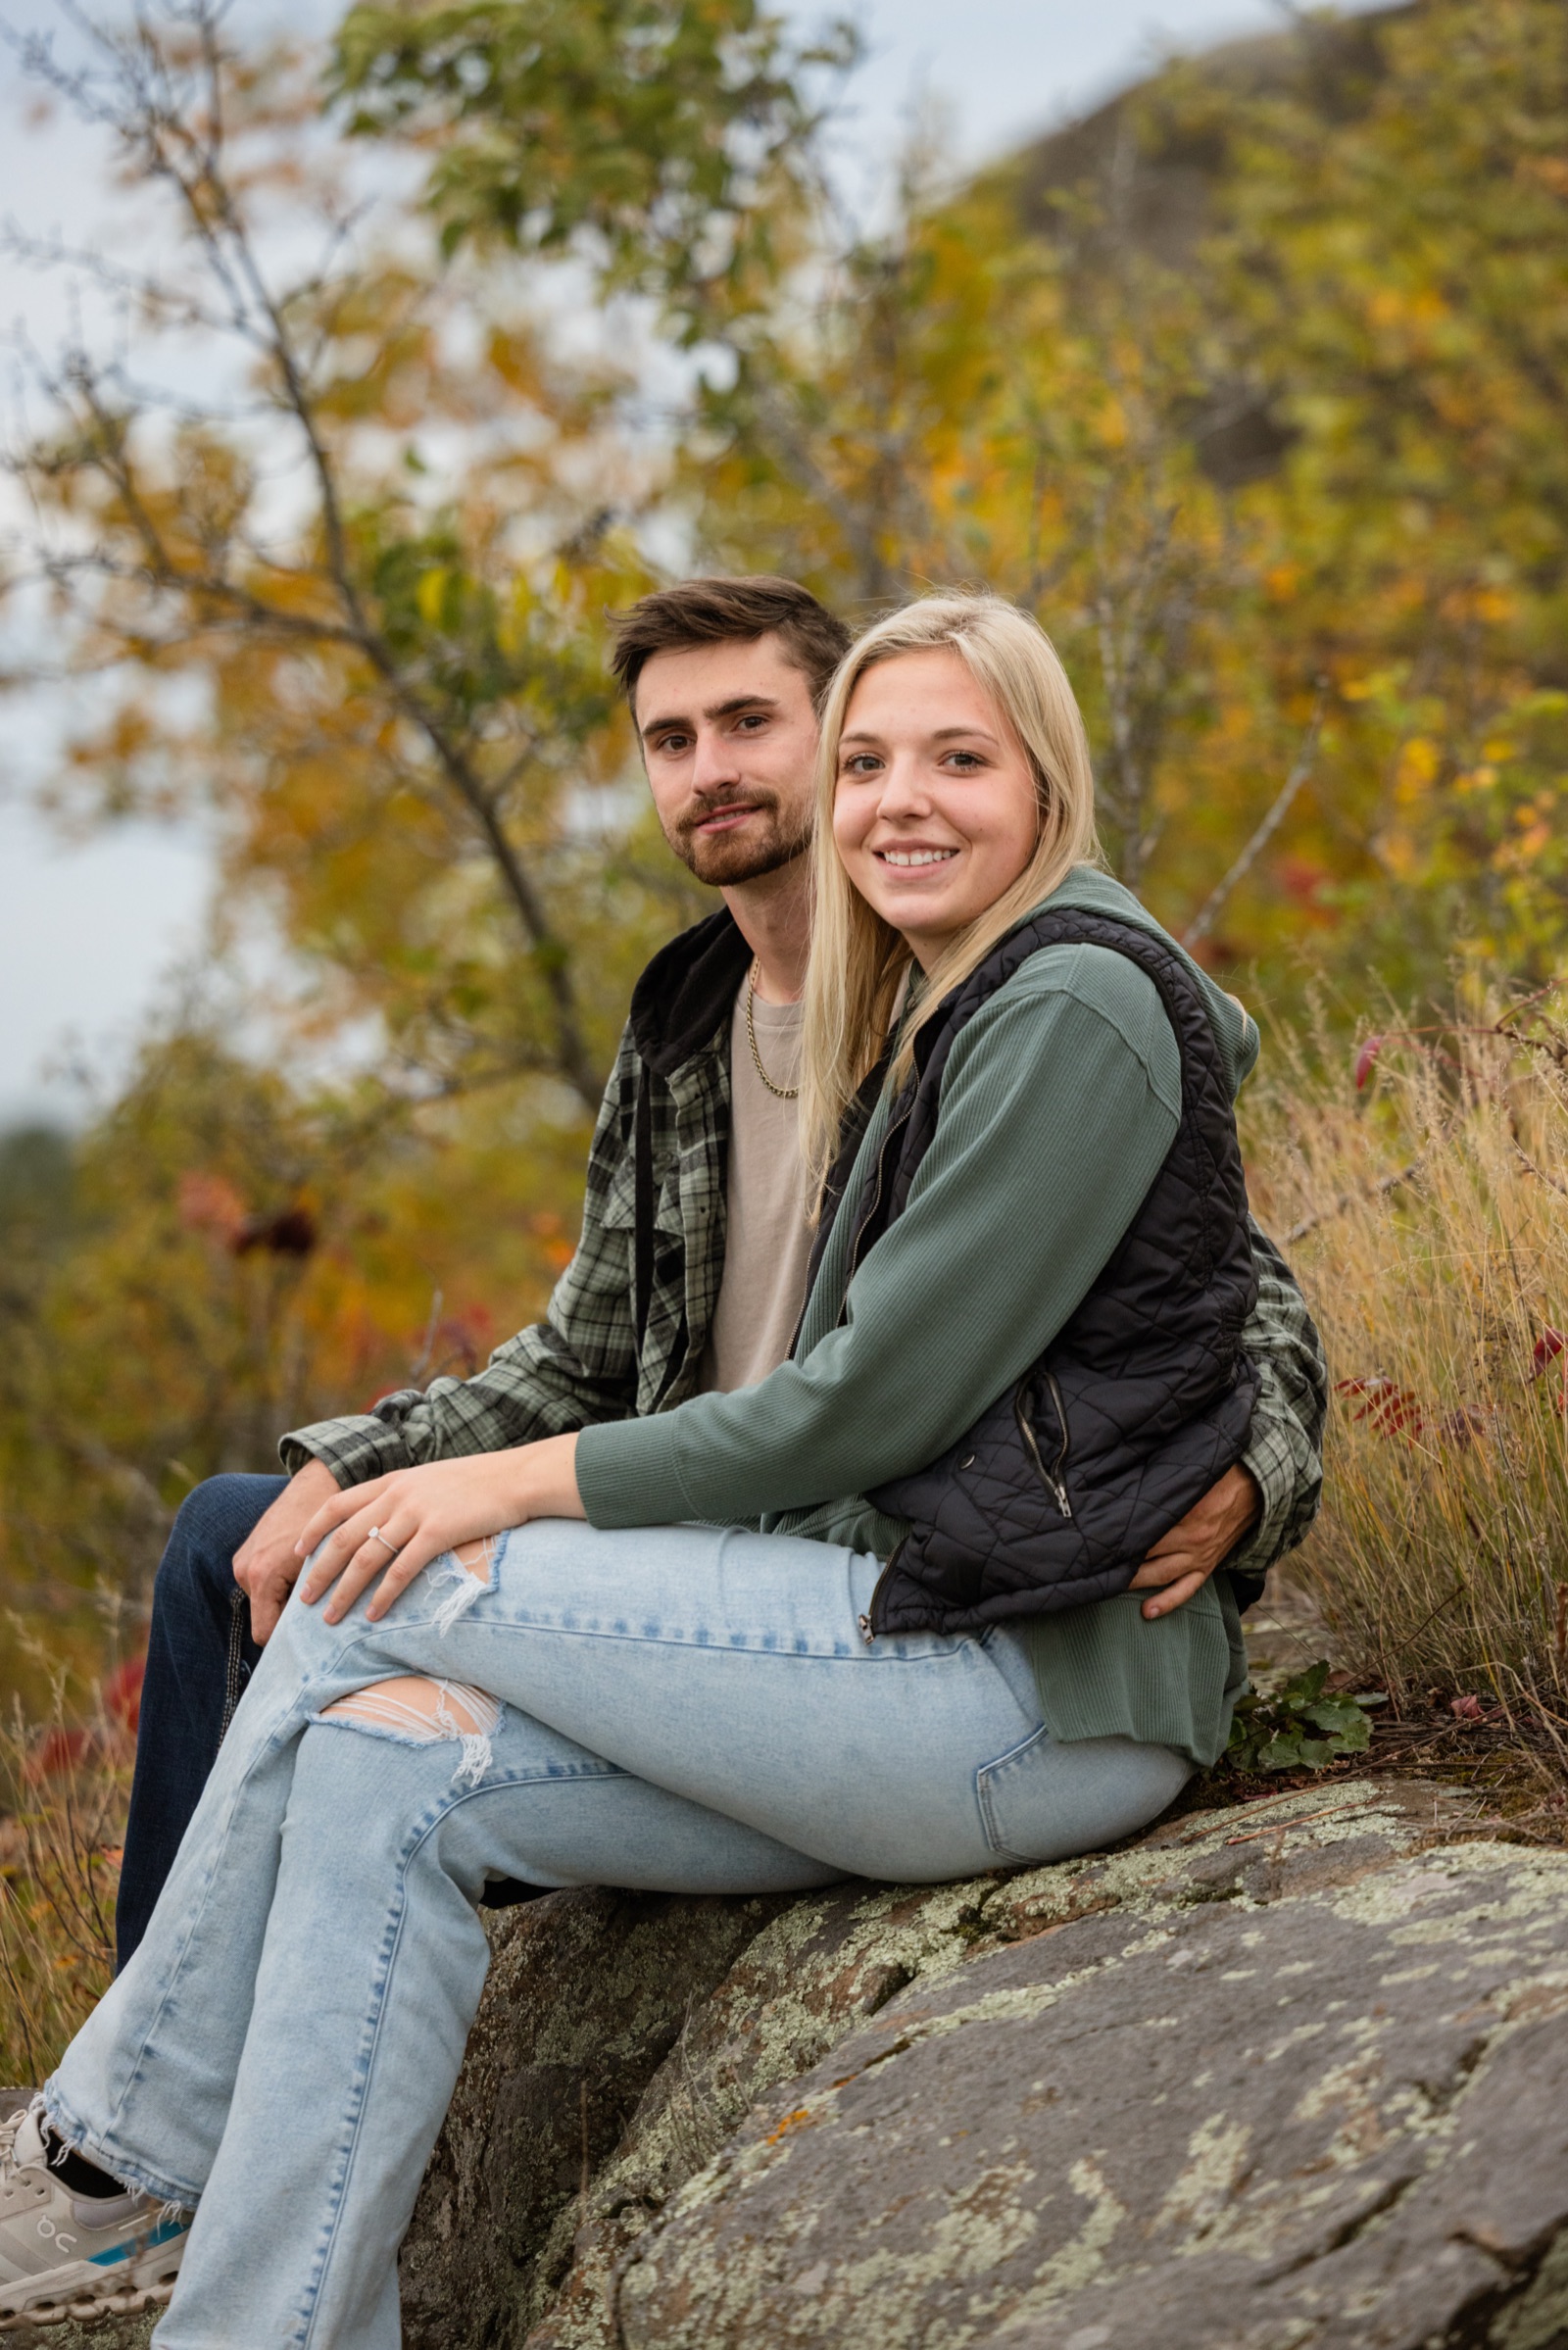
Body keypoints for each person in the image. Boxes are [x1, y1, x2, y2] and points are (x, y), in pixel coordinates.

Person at [0, 591, 1326, 2341]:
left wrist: (1260, 1474)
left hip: (1005, 1660)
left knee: (384, 1579)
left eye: (944, 757)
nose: (882, 797)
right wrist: (384, 1455)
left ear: (1046, 779)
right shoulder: (767, 1008)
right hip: (808, 1615)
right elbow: (578, 1339)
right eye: (870, 762)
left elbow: (1202, 1307)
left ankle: (126, 2132)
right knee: (369, 1752)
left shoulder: (1055, 1002)